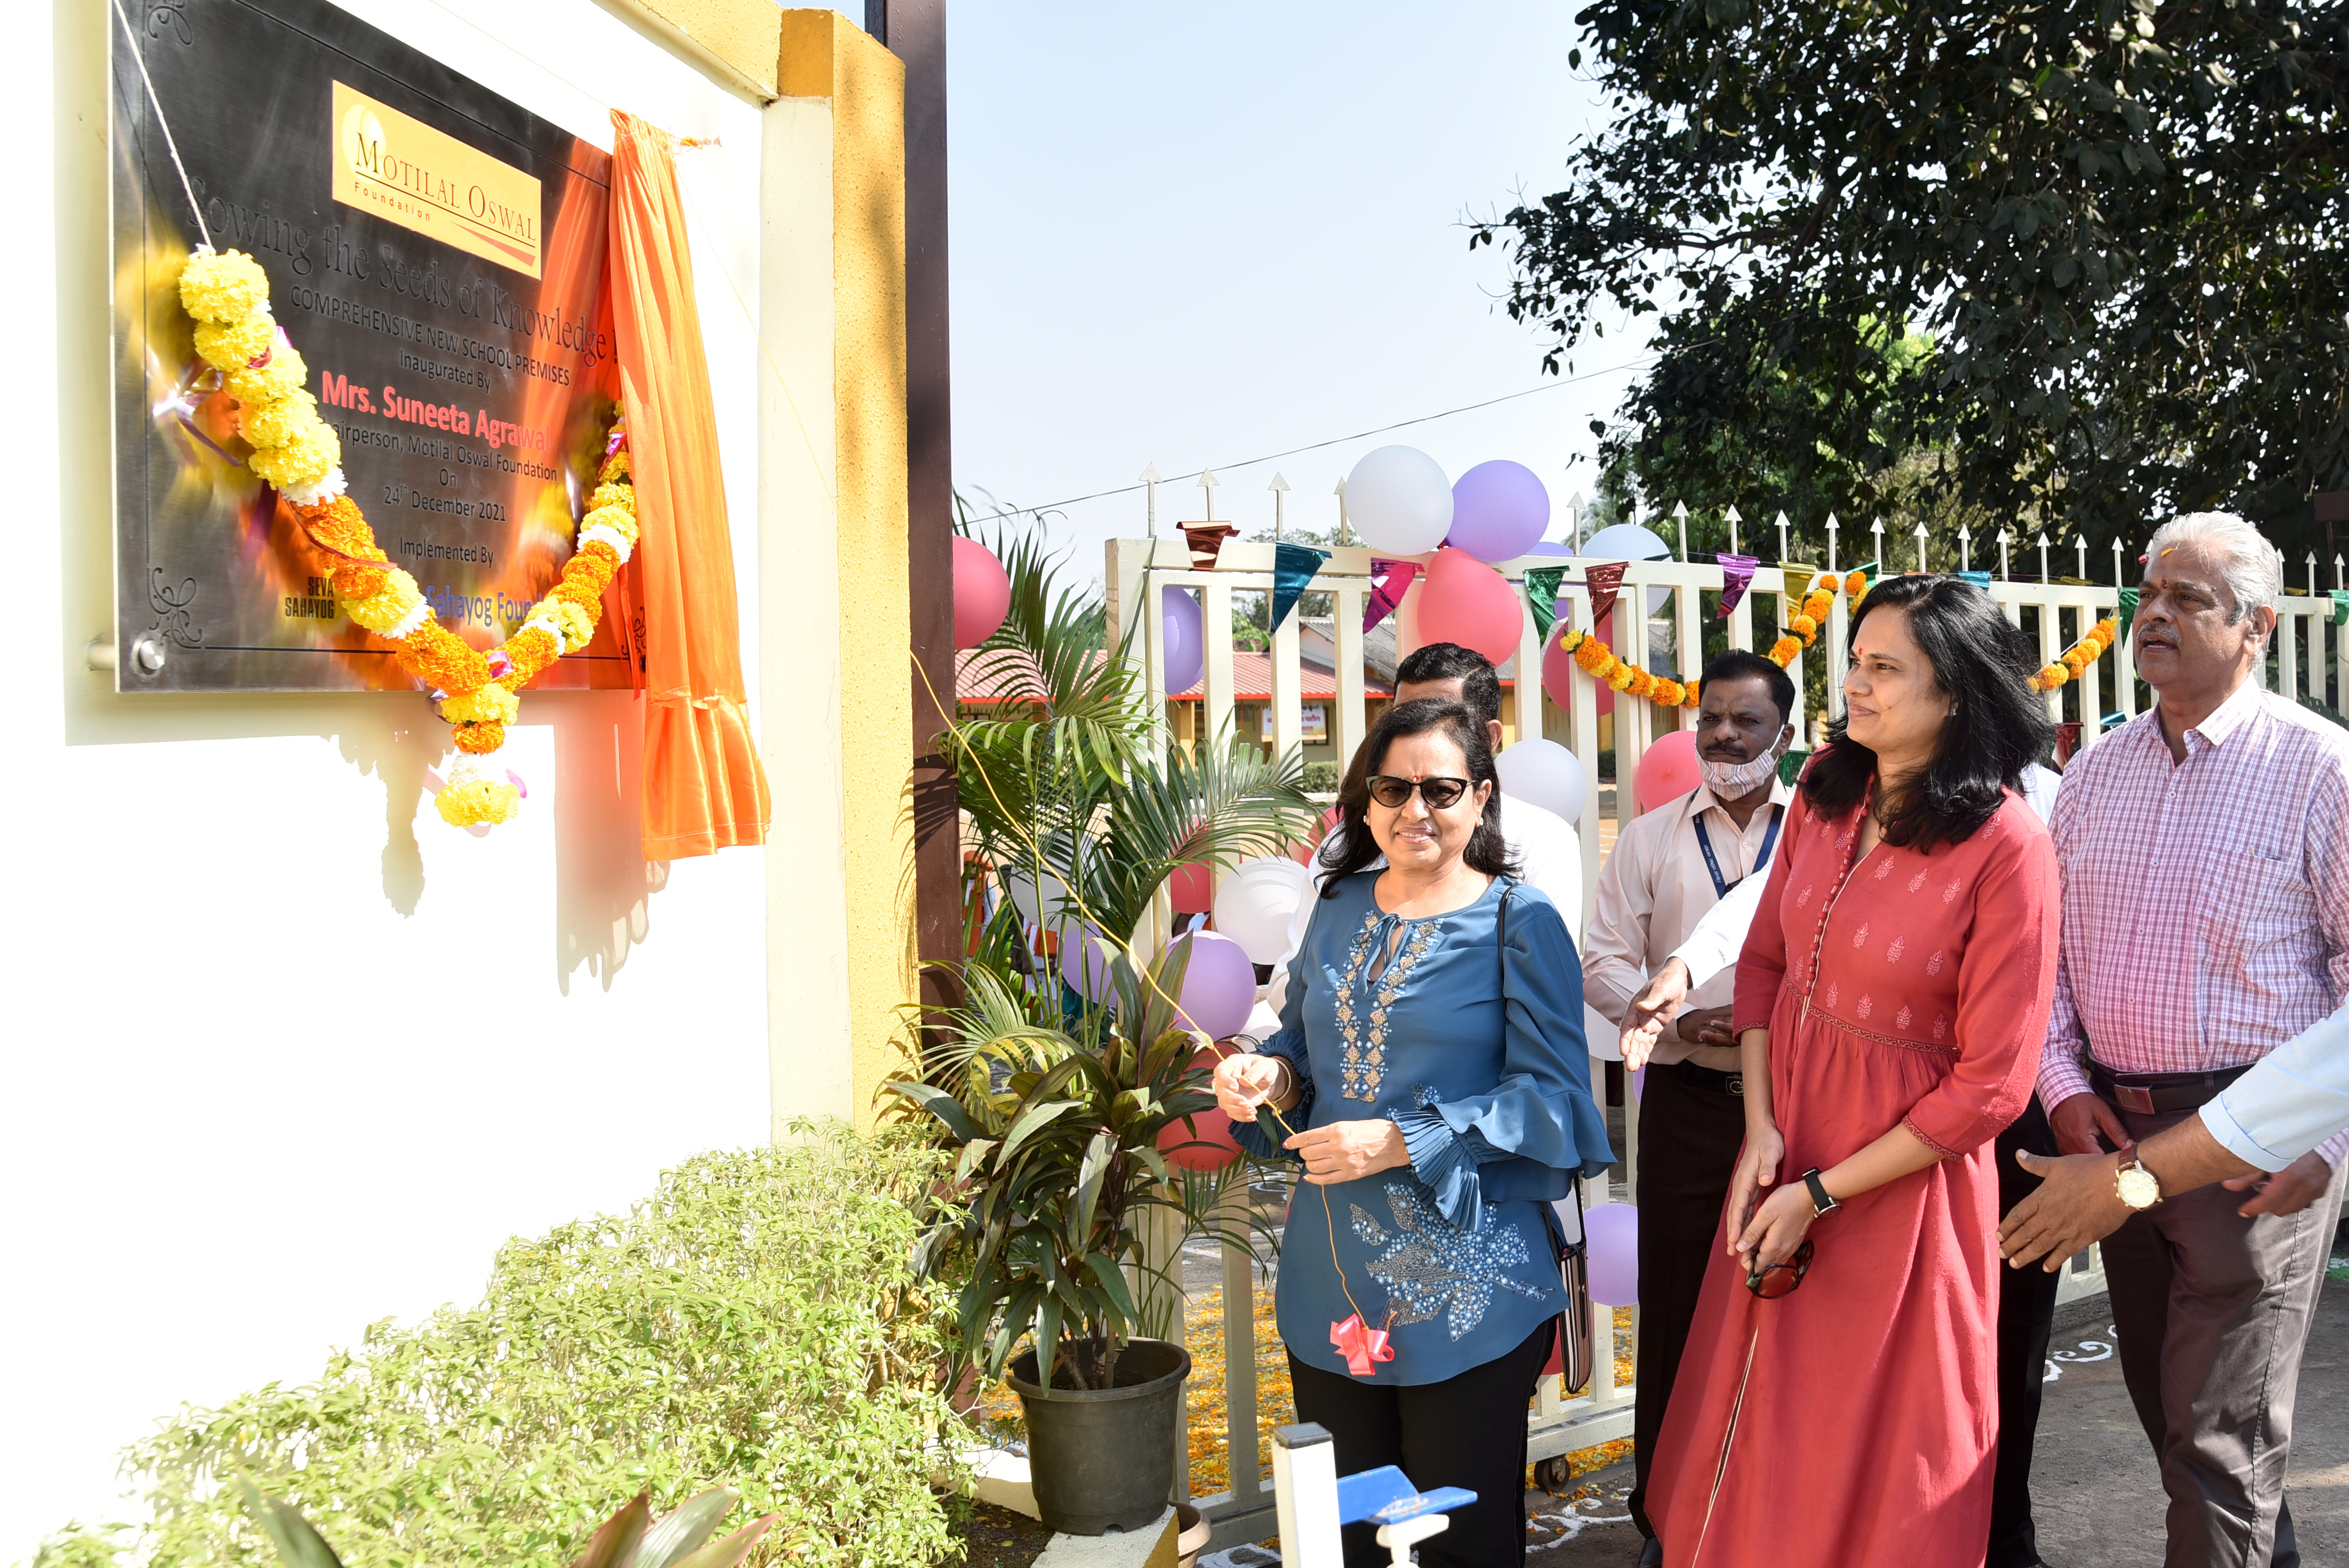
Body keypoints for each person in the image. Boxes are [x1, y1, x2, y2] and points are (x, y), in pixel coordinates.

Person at [1642, 574, 2060, 1567]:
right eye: (1854, 662)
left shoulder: (2008, 845)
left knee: (1865, 1458)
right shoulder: (1829, 792)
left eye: (1884, 668)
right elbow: (1764, 965)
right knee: (1757, 1435)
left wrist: (1823, 1192)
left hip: (1899, 1194)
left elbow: (1993, 1086)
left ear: (1954, 691)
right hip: (1785, 1157)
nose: (1854, 685)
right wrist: (1762, 1134)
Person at [2016, 511, 2349, 1568]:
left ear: (2257, 627)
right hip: (2113, 1143)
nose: (2153, 615)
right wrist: (2065, 1091)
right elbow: (2045, 965)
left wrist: (2329, 1141)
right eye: (2148, 595)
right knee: (2190, 1431)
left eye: (2187, 600)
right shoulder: (2094, 775)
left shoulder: (2320, 770)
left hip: (2255, 1150)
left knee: (2215, 1443)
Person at [1215, 698, 1612, 1568]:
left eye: (1441, 788)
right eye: (1392, 788)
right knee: (1348, 1533)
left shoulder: (1518, 920)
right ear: (1366, 802)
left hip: (1471, 1289)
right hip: (1331, 1279)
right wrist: (1269, 1077)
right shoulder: (1337, 906)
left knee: (1458, 1540)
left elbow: (1554, 1102)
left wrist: (1401, 1140)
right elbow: (1302, 1046)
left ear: (1482, 797)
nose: (1414, 809)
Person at [1578, 650, 1794, 1563]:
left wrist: (1762, 1023)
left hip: (1799, 1111)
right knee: (1672, 1309)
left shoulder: (1823, 831)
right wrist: (1670, 1017)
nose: (1724, 736)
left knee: (1788, 1305)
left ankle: (1772, 1512)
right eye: (1711, 719)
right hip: (1684, 1101)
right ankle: (1662, 1516)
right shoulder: (1649, 838)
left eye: (1746, 721)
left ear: (1785, 732)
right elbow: (1600, 957)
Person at [2000, 998, 2349, 1267]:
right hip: (2113, 1116)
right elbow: (2054, 958)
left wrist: (2323, 1138)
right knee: (2141, 1335)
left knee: (2223, 1335)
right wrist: (2062, 1085)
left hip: (2259, 1132)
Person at [1318, 643, 1583, 923]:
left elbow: (1547, 947)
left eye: (1442, 718)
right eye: (1404, 718)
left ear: (1490, 737)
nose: (1414, 812)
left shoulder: (1543, 840)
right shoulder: (1343, 846)